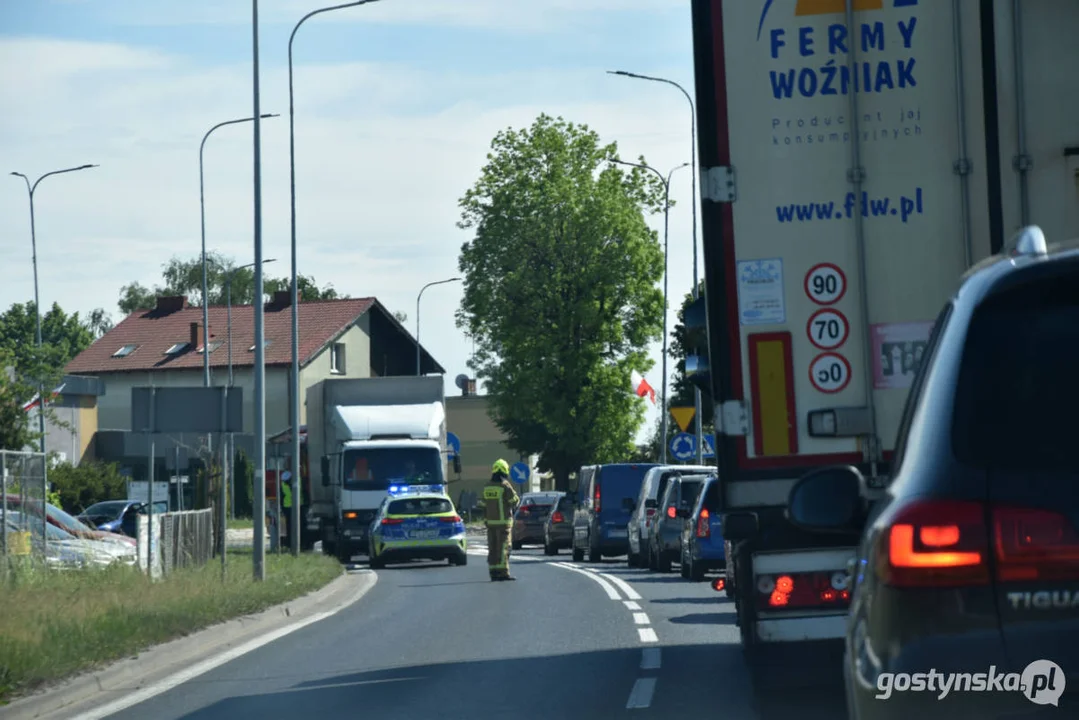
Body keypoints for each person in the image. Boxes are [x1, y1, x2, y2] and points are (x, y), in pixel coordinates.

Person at [483, 459, 520, 581]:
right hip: (503, 524)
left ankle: (493, 572)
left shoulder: (487, 486)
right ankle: (503, 573)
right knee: (504, 548)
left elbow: (484, 504)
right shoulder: (505, 486)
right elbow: (514, 501)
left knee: (493, 548)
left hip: (490, 524)